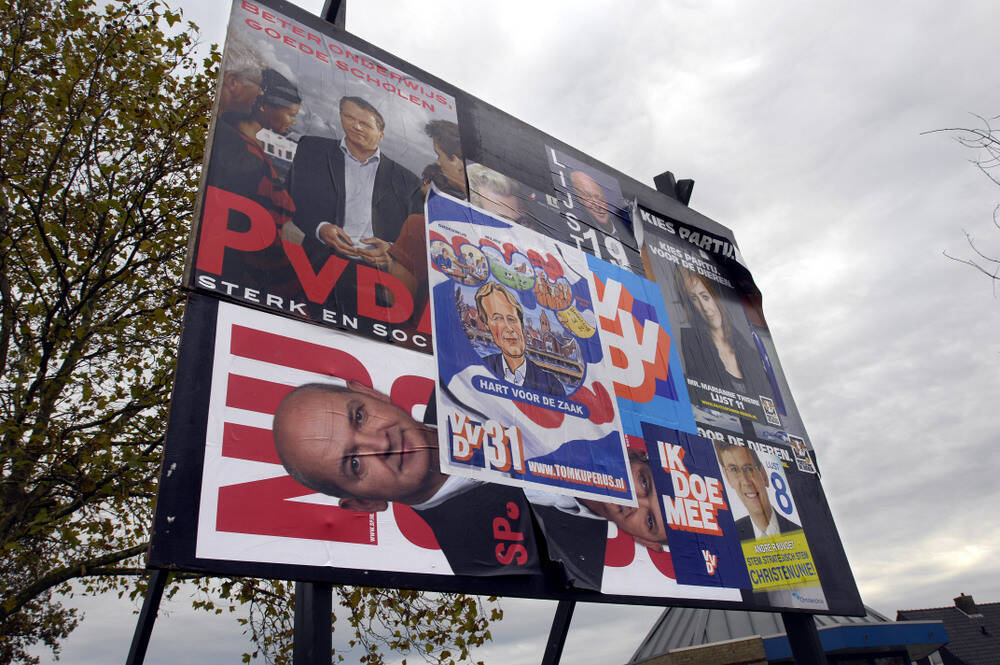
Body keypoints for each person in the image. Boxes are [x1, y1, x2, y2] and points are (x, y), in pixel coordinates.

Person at [272, 381, 541, 576]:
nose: (380, 442)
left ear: (370, 393)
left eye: (359, 416)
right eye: (354, 463)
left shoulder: (458, 374)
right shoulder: (485, 565)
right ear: (365, 503)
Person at [287, 96, 419, 266]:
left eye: (365, 124)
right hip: (317, 259)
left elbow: (415, 235)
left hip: (377, 274)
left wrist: (393, 250)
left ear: (380, 135)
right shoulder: (313, 149)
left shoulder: (406, 180)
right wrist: (320, 228)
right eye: (349, 117)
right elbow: (293, 196)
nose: (356, 126)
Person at [675, 266, 772, 400]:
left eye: (705, 297)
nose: (704, 308)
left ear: (717, 298)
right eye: (694, 299)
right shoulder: (692, 346)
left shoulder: (750, 354)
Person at [474, 282, 565, 396]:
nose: (509, 328)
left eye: (512, 319)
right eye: (498, 318)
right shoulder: (479, 369)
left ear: (521, 324)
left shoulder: (552, 387)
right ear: (487, 325)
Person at [713, 442, 798, 540]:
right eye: (734, 469)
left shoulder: (800, 534)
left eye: (748, 468)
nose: (746, 482)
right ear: (727, 477)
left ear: (764, 474)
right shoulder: (728, 539)